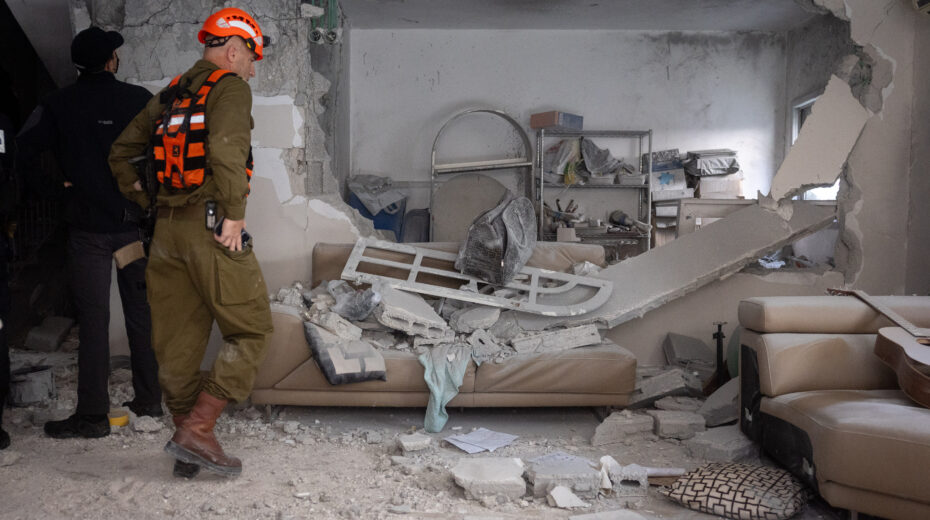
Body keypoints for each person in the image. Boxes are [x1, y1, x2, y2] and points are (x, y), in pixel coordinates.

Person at [109, 7, 273, 478]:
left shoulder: (172, 93)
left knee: (176, 343)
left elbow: (120, 152)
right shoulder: (230, 87)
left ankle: (187, 439)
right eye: (251, 57)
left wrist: (143, 193)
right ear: (235, 49)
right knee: (253, 327)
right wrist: (234, 218)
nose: (252, 69)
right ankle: (198, 430)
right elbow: (225, 150)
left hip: (166, 233)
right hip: (211, 228)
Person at [16, 27, 162, 439]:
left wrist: (53, 190)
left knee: (95, 322)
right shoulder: (139, 100)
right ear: (111, 61)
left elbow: (22, 150)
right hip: (132, 230)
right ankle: (150, 401)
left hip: (87, 235)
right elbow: (166, 153)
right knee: (141, 314)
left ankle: (93, 417)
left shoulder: (58, 104)